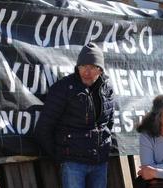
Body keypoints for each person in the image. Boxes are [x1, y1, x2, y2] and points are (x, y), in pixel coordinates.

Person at [34, 42, 114, 188]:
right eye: (82, 66)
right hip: (73, 164)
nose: (86, 71)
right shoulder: (63, 88)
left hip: (100, 162)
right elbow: (43, 127)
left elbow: (109, 123)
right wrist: (62, 158)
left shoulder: (107, 88)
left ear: (100, 70)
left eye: (92, 67)